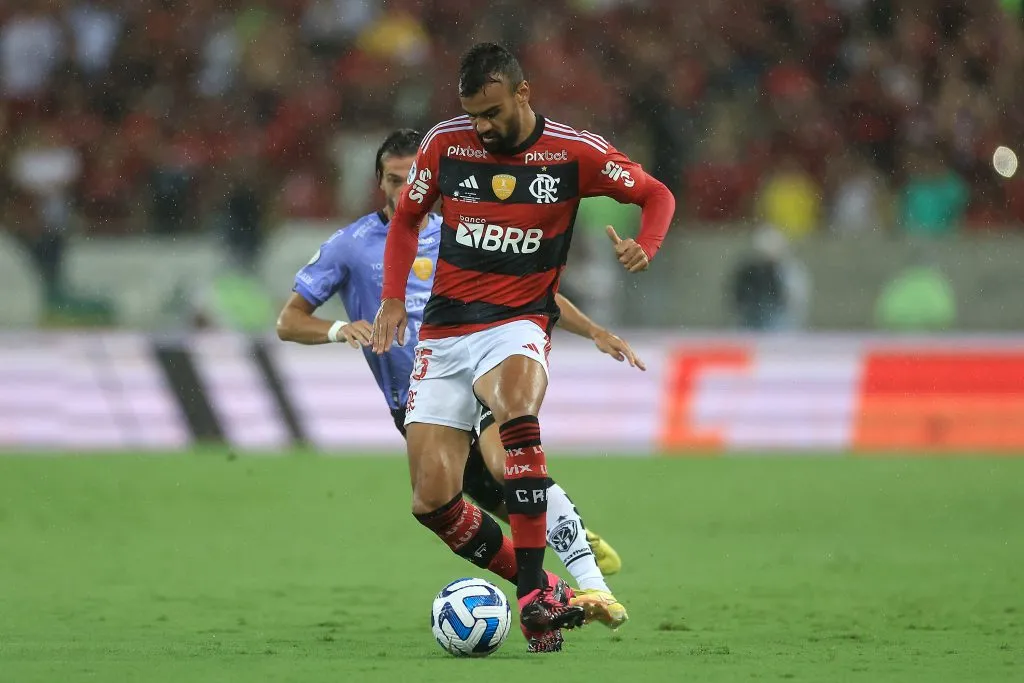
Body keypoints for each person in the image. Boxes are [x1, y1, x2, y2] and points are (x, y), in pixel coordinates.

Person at [276, 128, 642, 634]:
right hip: (419, 398)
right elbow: (288, 321)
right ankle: (556, 560)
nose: (406, 188)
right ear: (379, 182)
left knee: (508, 463)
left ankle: (582, 573)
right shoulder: (350, 246)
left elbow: (531, 290)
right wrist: (341, 329)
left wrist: (594, 330)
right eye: (394, 179)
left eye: (413, 177)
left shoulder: (465, 226)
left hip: (479, 368)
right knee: (454, 502)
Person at [371, 43, 675, 652]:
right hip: (445, 329)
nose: (482, 127)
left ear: (522, 93)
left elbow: (657, 194)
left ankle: (535, 596)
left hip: (518, 320)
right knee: (432, 501)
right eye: (473, 114)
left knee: (516, 413)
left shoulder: (574, 153)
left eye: (492, 112)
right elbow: (406, 219)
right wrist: (394, 299)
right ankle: (549, 587)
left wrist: (647, 244)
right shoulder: (445, 144)